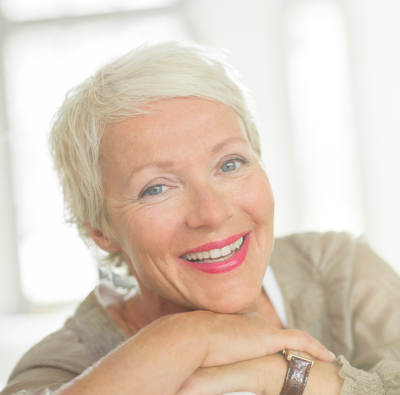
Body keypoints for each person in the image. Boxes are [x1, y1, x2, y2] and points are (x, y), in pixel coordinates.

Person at [2, 42, 400, 395]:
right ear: (100, 231)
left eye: (230, 163)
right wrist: (184, 337)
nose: (211, 213)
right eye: (156, 188)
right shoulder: (59, 370)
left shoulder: (336, 271)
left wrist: (286, 378)